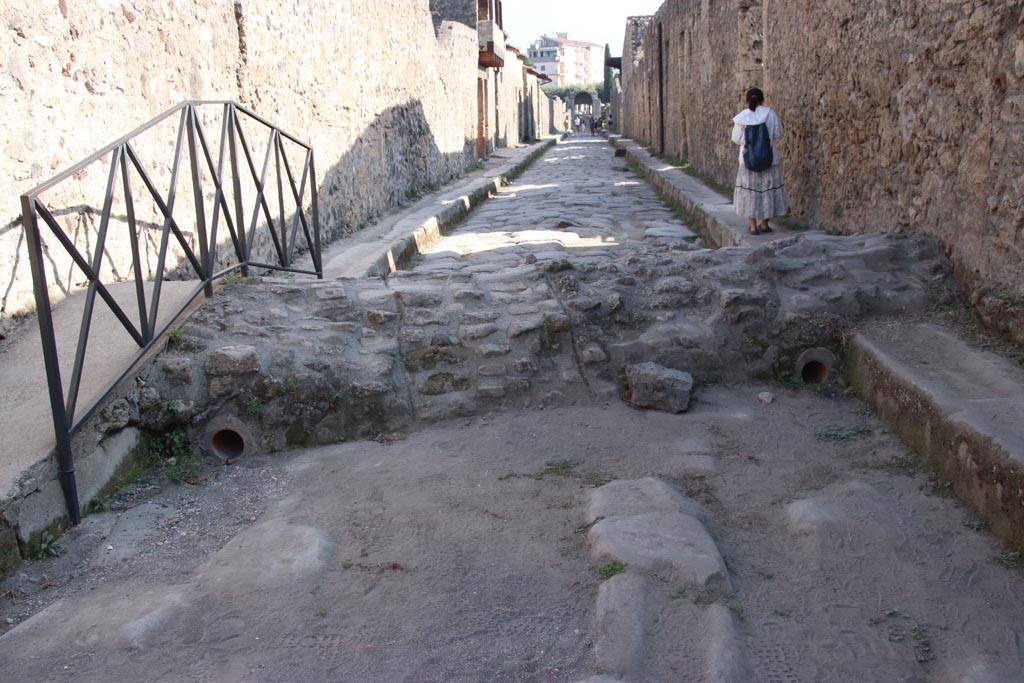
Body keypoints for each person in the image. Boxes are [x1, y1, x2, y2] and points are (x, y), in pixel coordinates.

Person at [731, 87, 787, 234]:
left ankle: (753, 226)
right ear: (762, 99)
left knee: (750, 193)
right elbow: (778, 133)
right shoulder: (770, 114)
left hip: (747, 162)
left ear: (747, 100)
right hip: (769, 160)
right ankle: (765, 224)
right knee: (767, 191)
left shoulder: (741, 118)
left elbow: (736, 139)